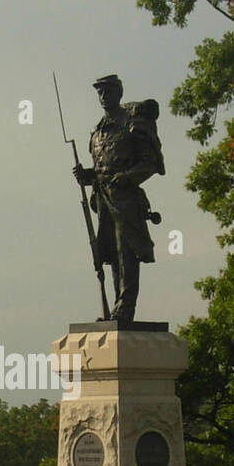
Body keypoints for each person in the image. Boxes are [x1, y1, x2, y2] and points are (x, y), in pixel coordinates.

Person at [72, 73, 164, 322]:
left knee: (127, 252)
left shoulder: (132, 124)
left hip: (126, 199)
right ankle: (116, 308)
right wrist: (86, 175)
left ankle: (125, 308)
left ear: (118, 93)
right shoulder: (98, 131)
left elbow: (151, 163)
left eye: (108, 91)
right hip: (103, 199)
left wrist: (127, 177)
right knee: (111, 254)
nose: (103, 96)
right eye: (100, 92)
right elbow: (102, 170)